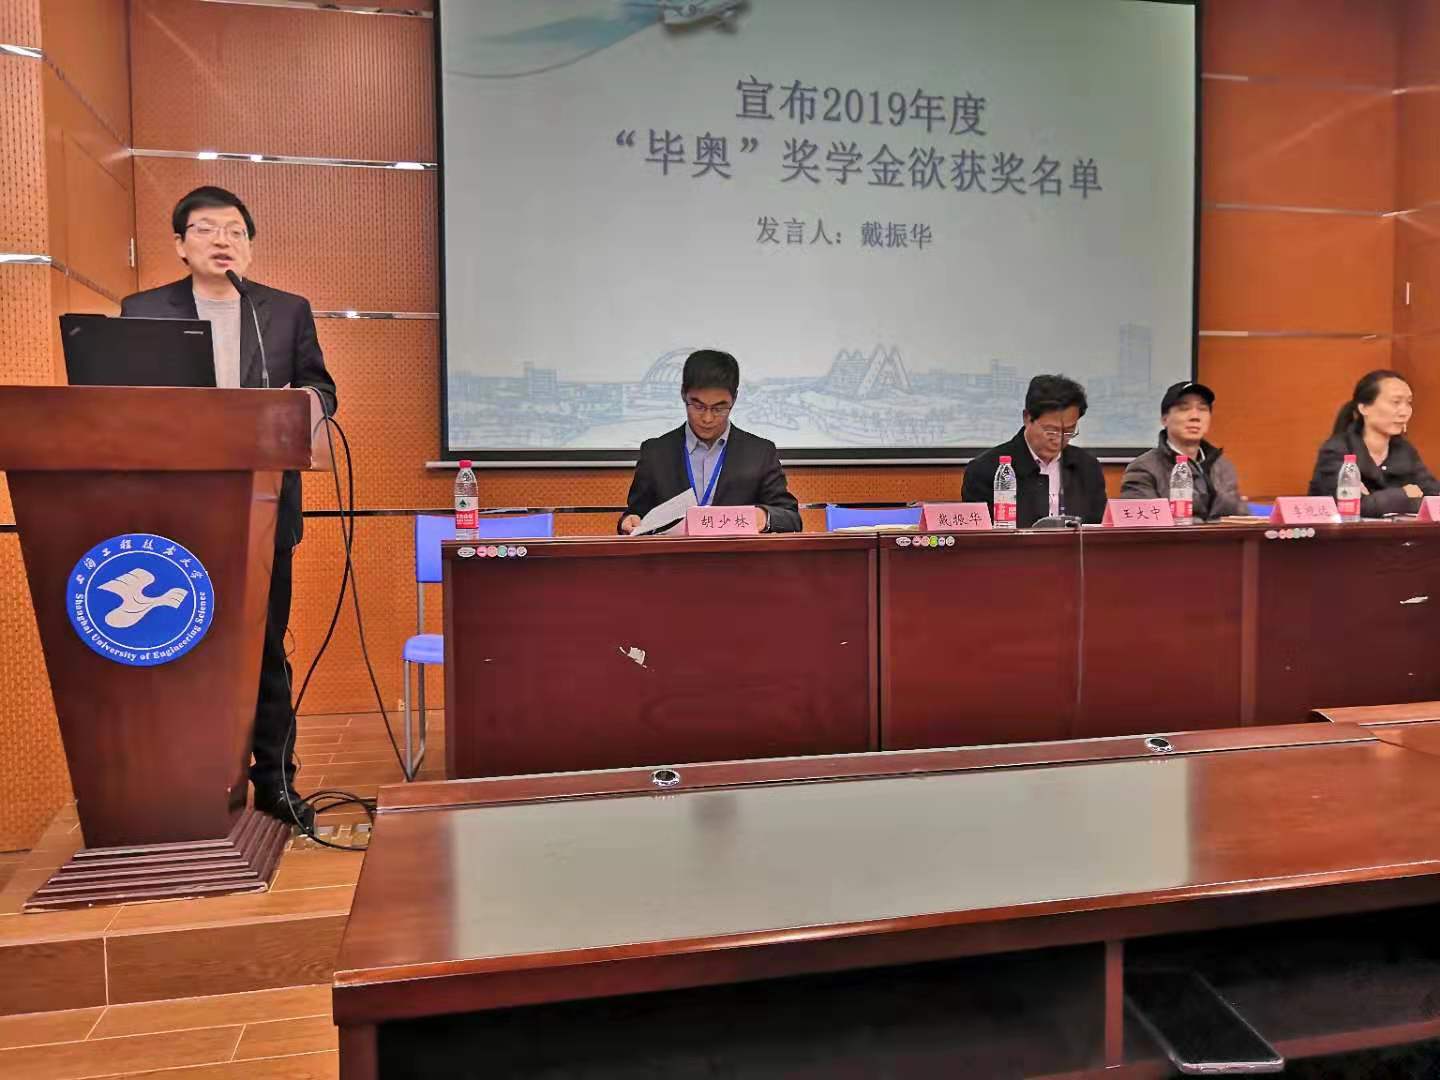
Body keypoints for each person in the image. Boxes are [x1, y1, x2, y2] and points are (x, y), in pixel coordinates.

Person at [122, 186, 337, 831]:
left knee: (265, 649)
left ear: (249, 245)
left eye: (236, 231)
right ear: (180, 243)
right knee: (182, 648)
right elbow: (118, 398)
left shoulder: (285, 311)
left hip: (264, 506)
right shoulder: (142, 311)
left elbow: (321, 387)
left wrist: (301, 407)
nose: (223, 240)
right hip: (174, 508)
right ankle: (183, 780)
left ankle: (275, 782)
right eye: (207, 229)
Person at [619, 350, 801, 534]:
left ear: (734, 399)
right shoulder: (655, 453)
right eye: (698, 406)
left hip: (737, 552)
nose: (707, 418)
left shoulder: (759, 453)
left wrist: (764, 516)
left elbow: (791, 518)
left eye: (719, 408)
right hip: (673, 552)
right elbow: (636, 514)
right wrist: (629, 521)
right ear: (683, 394)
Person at [962, 374, 1107, 527]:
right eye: (1051, 431)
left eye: (1069, 431)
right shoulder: (985, 471)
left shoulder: (1087, 467)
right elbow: (980, 536)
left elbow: (1100, 529)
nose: (1058, 440)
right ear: (1027, 418)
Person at [1309, 369, 1439, 516]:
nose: (1404, 412)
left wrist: (1376, 500)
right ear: (1364, 408)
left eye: (1408, 403)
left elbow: (1434, 498)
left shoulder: (1405, 451)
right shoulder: (1336, 450)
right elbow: (1351, 506)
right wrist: (1404, 494)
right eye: (1396, 402)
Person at [1120, 381, 1242, 520]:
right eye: (1184, 409)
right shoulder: (1143, 468)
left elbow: (1240, 518)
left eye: (1202, 409)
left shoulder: (1223, 467)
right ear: (1164, 419)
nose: (1195, 417)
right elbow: (1142, 525)